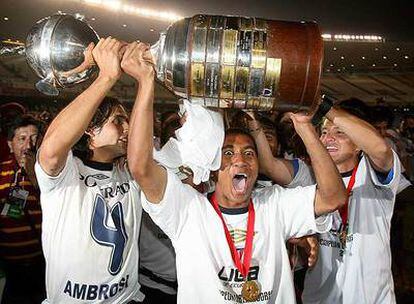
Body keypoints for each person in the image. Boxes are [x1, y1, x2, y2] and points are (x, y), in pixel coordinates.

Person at [125, 42, 347, 303]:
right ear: (213, 166)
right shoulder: (187, 210)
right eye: (228, 153)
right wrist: (146, 82)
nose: (240, 160)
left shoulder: (274, 203)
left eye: (249, 154)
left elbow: (334, 197)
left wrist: (304, 126)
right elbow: (141, 167)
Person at [34, 37, 144, 303]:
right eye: (118, 121)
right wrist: (105, 77)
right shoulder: (66, 174)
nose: (128, 128)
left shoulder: (133, 170)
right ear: (89, 132)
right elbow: (50, 149)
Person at [301, 103, 402, 304]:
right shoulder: (310, 176)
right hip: (319, 298)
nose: (328, 139)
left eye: (339, 133)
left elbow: (381, 149)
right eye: (323, 132)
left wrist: (322, 104)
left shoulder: (374, 174)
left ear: (358, 144)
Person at [0, 115, 45, 303]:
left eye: (34, 138)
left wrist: (36, 178)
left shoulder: (50, 174)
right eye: (22, 138)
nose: (28, 145)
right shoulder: (1, 173)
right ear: (10, 144)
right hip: (11, 266)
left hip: (42, 264)